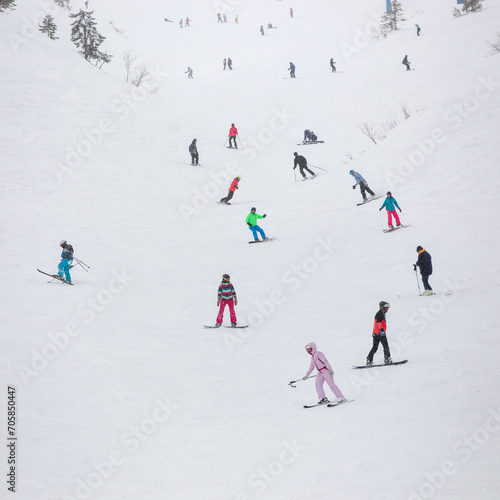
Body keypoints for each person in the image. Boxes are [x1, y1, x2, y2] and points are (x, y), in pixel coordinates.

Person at [366, 302, 392, 366]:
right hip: (380, 334)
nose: (387, 310)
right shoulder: (379, 314)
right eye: (386, 308)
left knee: (375, 347)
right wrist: (382, 331)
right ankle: (387, 359)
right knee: (385, 346)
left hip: (376, 334)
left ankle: (369, 359)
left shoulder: (381, 314)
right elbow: (378, 323)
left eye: (388, 308)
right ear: (382, 307)